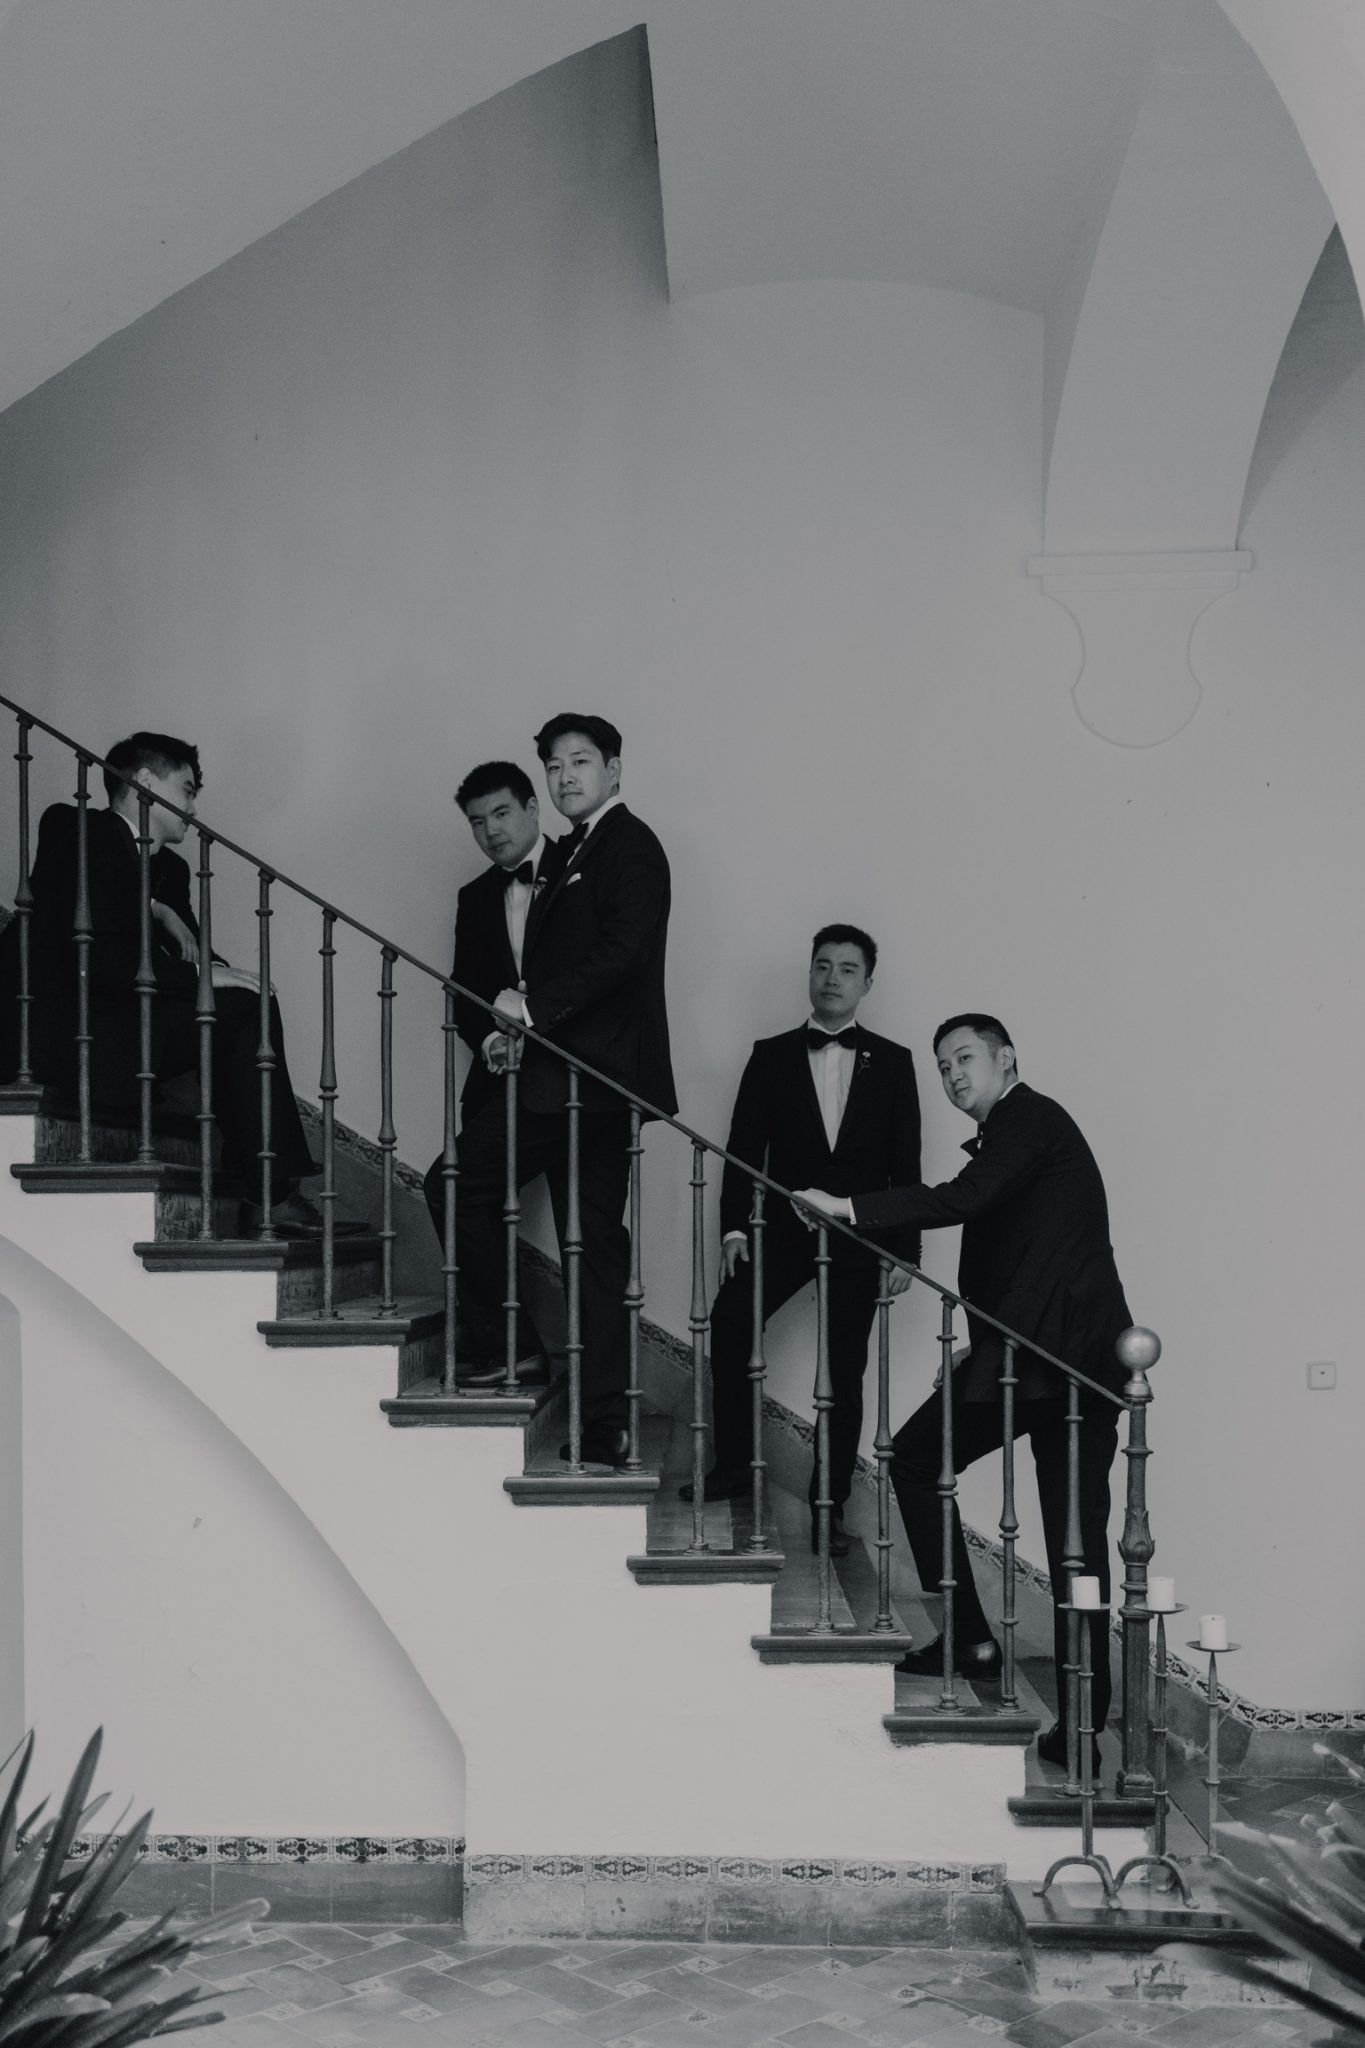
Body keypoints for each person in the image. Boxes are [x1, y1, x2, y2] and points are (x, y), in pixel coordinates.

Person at [796, 1015, 1131, 1766]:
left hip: (1069, 1370)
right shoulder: (1014, 1133)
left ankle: (1076, 1720)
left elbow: (965, 1198)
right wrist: (982, 1349)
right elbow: (1030, 1252)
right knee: (921, 1463)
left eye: (965, 1057)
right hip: (1027, 1358)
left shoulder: (1030, 1117)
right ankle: (975, 1644)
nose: (952, 1074)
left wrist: (848, 1207)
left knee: (1073, 1548)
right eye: (943, 1064)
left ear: (1006, 1058)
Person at [434, 715, 675, 1465]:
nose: (566, 776)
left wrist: (530, 1011)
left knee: (485, 1198)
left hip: (588, 1081)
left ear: (614, 769)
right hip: (560, 1078)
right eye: (554, 765)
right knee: (586, 1246)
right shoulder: (576, 850)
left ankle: (589, 1409)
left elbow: (622, 952)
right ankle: (594, 1415)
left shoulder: (629, 845)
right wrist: (509, 1030)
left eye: (580, 762)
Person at [20, 731, 323, 1235]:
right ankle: (268, 1193)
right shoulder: (79, 829)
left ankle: (263, 1187)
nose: (193, 808)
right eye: (186, 790)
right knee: (243, 1006)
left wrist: (214, 969)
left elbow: (195, 955)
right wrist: (159, 915)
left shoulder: (171, 869)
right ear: (144, 781)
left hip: (136, 1023)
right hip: (82, 1029)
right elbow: (94, 954)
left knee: (247, 1001)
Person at [683, 926, 921, 1558]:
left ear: (867, 983)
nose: (832, 978)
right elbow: (743, 1148)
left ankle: (827, 1507)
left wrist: (906, 1250)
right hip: (782, 1230)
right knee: (731, 1321)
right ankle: (735, 1466)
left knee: (844, 1370)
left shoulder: (894, 1062)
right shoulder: (770, 1055)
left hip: (861, 1236)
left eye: (847, 969)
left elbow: (907, 1164)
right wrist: (735, 1228)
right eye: (822, 965)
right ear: (809, 974)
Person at [422, 759, 556, 1383]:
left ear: (532, 807)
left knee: (588, 1237)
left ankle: (522, 1353)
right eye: (477, 822)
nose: (491, 831)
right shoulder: (473, 897)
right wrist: (490, 1041)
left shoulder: (581, 872)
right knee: (459, 1192)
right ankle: (502, 1345)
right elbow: (465, 990)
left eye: (501, 813)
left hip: (573, 1083)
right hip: (498, 1083)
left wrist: (536, 1035)